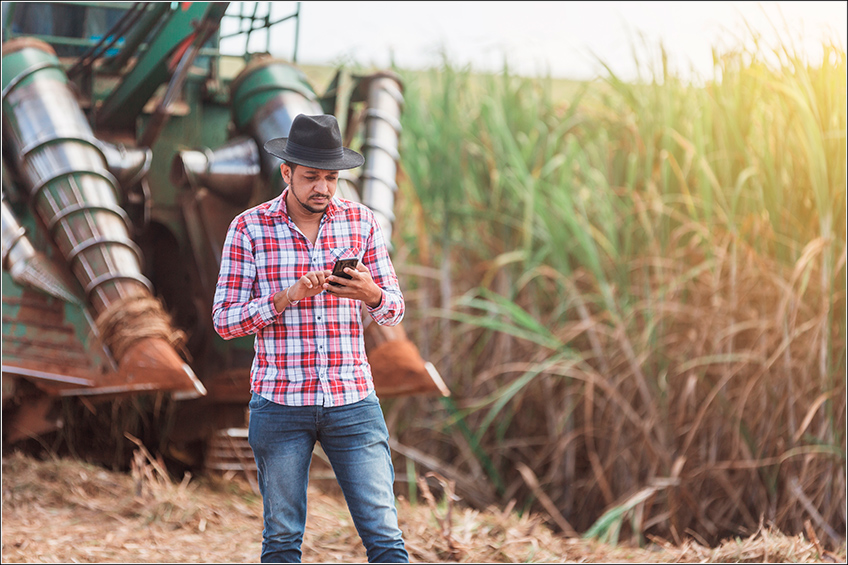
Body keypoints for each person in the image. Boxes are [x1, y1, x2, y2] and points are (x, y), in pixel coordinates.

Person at [212, 114, 409, 563]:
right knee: (281, 541)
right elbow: (224, 322)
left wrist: (370, 293)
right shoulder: (249, 229)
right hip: (280, 403)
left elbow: (395, 309)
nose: (322, 187)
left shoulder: (362, 223)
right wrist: (285, 297)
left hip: (353, 400)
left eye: (331, 178)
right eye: (311, 177)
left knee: (384, 536)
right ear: (287, 173)